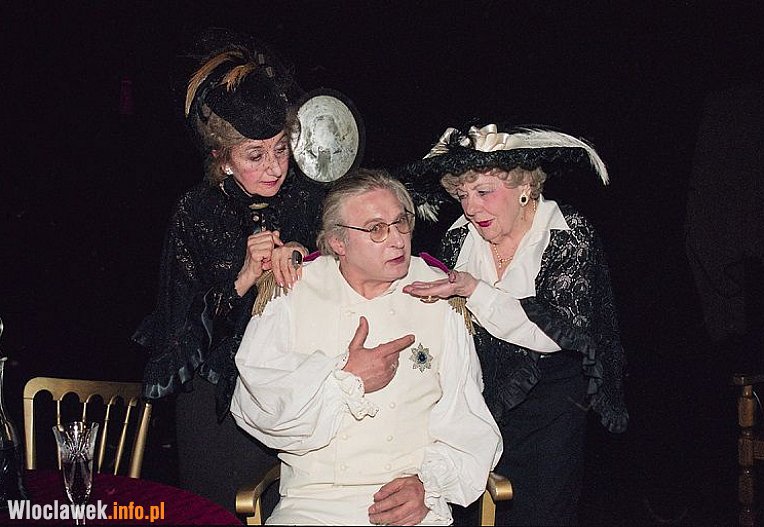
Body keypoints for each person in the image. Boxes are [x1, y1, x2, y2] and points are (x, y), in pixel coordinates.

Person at [230, 169, 502, 525]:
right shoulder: (294, 288)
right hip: (312, 502)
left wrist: (428, 487)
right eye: (376, 229)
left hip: (409, 499)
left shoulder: (438, 292)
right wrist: (344, 379)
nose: (397, 240)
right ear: (338, 243)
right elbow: (258, 404)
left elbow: (467, 420)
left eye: (401, 223)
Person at [132, 28, 327, 510]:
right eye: (255, 155)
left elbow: (347, 274)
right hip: (216, 406)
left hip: (293, 392)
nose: (274, 167)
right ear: (222, 159)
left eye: (281, 149)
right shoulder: (196, 211)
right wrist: (242, 277)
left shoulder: (307, 199)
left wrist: (305, 253)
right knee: (216, 511)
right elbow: (180, 332)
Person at [400, 124, 629, 525]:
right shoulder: (459, 238)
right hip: (477, 404)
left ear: (524, 186)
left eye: (483, 192)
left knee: (539, 513)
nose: (471, 209)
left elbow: (553, 331)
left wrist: (473, 290)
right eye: (462, 195)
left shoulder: (567, 234)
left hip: (550, 408)